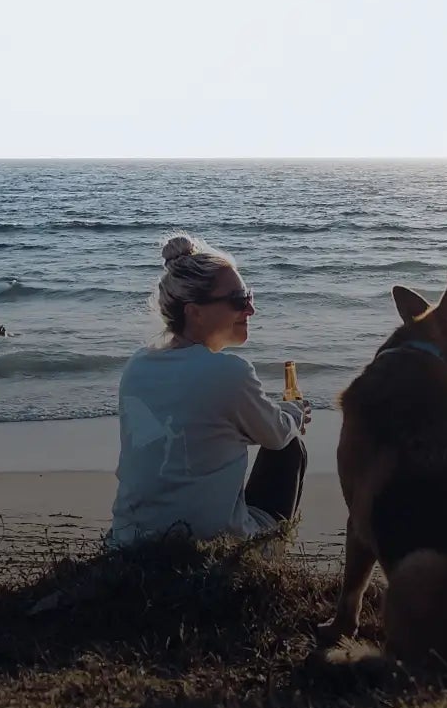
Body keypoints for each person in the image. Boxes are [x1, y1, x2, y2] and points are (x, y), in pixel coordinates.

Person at [109, 234, 311, 548]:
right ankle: (267, 555)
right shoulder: (230, 373)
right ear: (195, 312)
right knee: (290, 447)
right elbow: (276, 434)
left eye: (249, 296)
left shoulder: (137, 366)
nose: (250, 310)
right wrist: (295, 413)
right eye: (238, 300)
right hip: (208, 548)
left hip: (130, 541)